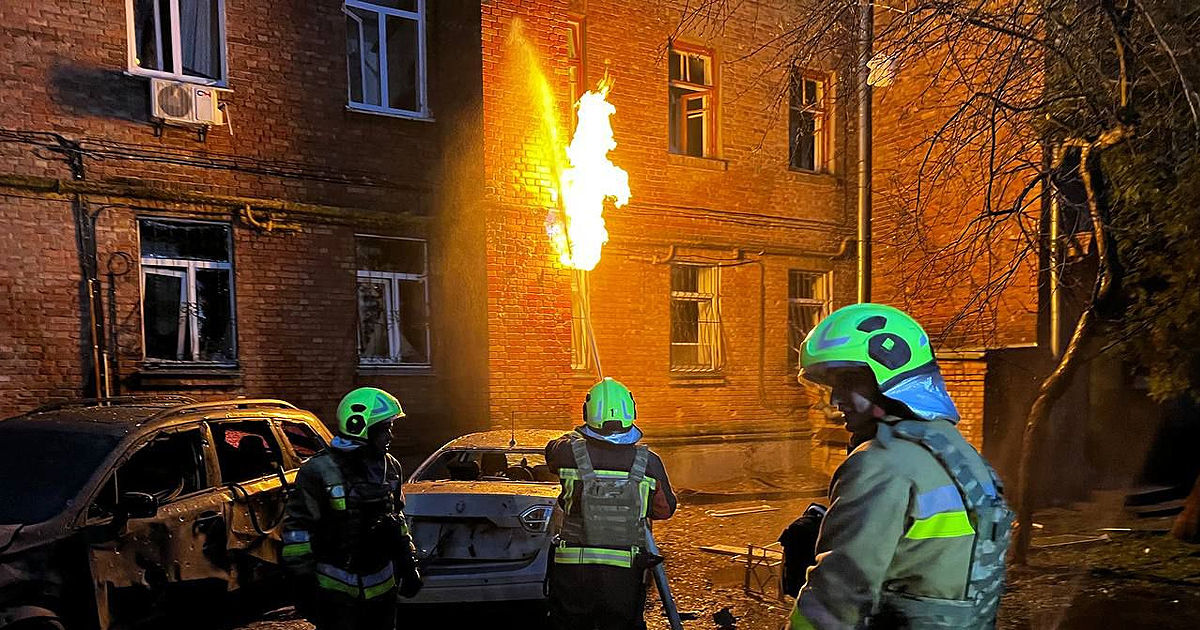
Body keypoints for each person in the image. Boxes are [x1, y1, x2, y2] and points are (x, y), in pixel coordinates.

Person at [789, 304, 1012, 630]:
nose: (835, 399)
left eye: (849, 382)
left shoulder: (879, 462)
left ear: (890, 382)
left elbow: (836, 598)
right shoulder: (965, 457)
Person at [281, 387, 422, 630]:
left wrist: (408, 564)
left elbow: (397, 518)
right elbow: (298, 530)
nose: (391, 436)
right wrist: (301, 579)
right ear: (363, 428)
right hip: (335, 589)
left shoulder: (391, 467)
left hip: (382, 587)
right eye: (385, 429)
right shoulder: (318, 471)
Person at [545, 377, 678, 630]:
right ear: (631, 412)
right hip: (624, 573)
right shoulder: (649, 462)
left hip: (573, 571)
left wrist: (576, 436)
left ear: (588, 413)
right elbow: (665, 510)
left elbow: (551, 449)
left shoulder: (567, 452)